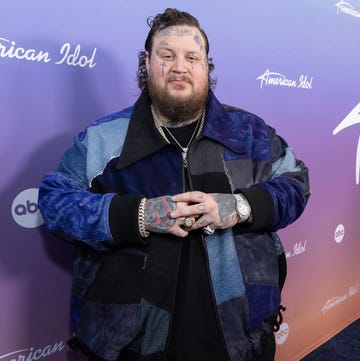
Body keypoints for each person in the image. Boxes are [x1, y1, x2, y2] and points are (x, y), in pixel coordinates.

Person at [38, 8, 310, 361]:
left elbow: (296, 183)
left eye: (192, 57)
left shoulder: (250, 133)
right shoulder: (103, 139)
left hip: (240, 337)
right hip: (135, 344)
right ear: (148, 63)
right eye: (167, 56)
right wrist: (140, 215)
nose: (180, 67)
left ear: (206, 67)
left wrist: (239, 207)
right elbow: (54, 200)